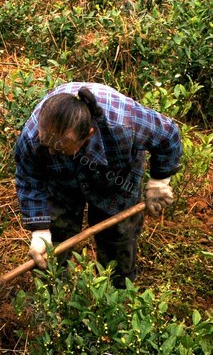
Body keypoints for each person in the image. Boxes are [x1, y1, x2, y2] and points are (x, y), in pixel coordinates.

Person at [13, 82, 182, 288]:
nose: (51, 152)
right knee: (51, 246)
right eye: (47, 145)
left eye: (61, 148)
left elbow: (169, 135)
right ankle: (50, 301)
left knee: (118, 239)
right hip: (60, 179)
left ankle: (116, 296)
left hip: (116, 178)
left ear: (89, 134)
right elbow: (28, 177)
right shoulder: (33, 135)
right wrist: (40, 231)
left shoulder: (124, 121)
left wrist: (159, 181)